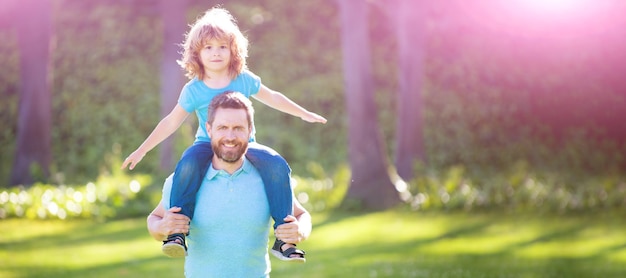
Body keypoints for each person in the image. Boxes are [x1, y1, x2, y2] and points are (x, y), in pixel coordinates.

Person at [121, 6, 325, 260]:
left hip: (244, 144)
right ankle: (177, 233)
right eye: (208, 47)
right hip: (206, 144)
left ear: (233, 50)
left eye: (222, 47)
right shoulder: (193, 89)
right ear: (197, 53)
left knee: (276, 164)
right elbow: (171, 121)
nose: (215, 53)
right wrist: (142, 150)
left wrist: (302, 113)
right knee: (187, 165)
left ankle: (284, 241)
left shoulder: (242, 78)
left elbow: (272, 96)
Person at [147, 91, 312, 277]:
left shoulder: (269, 178)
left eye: (238, 128)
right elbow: (154, 218)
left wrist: (301, 231)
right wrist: (161, 228)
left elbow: (301, 215)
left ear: (250, 131)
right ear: (209, 130)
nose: (230, 136)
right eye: (223, 127)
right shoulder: (184, 180)